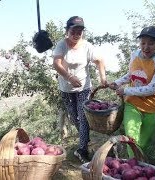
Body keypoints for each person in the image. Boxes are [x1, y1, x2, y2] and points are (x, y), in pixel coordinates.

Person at [52, 16, 107, 163]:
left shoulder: (87, 46)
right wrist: (69, 77)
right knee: (73, 117)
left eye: (79, 31)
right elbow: (56, 63)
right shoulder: (62, 45)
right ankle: (86, 139)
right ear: (67, 30)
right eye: (73, 31)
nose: (76, 34)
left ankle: (82, 149)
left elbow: (99, 61)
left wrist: (103, 79)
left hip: (84, 88)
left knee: (83, 118)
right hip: (66, 89)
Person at [109, 26, 155, 157]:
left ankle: (139, 165)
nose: (146, 47)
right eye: (143, 43)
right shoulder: (135, 55)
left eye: (151, 43)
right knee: (132, 139)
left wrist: (126, 90)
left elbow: (153, 88)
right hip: (132, 104)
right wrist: (118, 82)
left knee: (143, 143)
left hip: (151, 107)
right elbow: (131, 74)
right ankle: (133, 166)